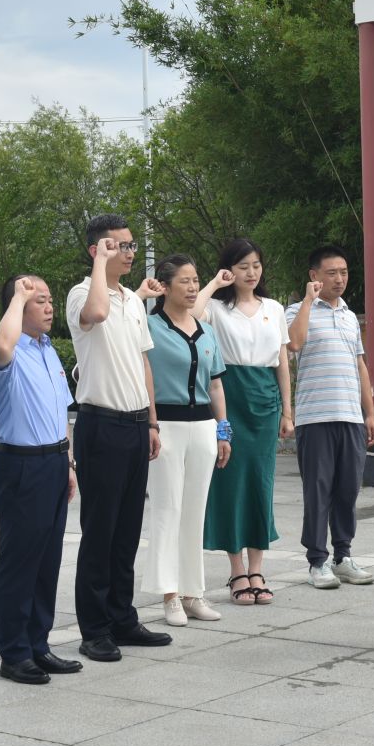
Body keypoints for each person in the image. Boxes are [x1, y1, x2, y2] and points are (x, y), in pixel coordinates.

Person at [66, 214, 169, 662]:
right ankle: (94, 629)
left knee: (128, 530)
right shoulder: (81, 294)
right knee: (101, 531)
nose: (128, 253)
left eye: (130, 245)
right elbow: (96, 314)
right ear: (95, 250)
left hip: (134, 424)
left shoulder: (132, 300)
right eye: (117, 246)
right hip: (101, 425)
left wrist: (152, 422)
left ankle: (123, 618)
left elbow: (143, 362)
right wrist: (99, 266)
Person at [0, 274, 83, 684]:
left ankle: (38, 644)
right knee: (19, 563)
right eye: (37, 300)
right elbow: (2, 347)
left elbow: (62, 414)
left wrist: (69, 464)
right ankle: (14, 653)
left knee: (46, 561)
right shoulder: (3, 353)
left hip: (54, 463)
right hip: (21, 466)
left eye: (48, 299)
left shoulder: (48, 350)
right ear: (16, 307)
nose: (48, 306)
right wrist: (18, 296)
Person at [202, 238, 290, 605]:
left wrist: (288, 411)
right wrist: (214, 283)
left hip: (265, 400)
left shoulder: (274, 308)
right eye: (243, 267)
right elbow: (190, 313)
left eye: (256, 265)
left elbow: (282, 361)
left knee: (260, 483)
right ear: (229, 269)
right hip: (230, 398)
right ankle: (237, 570)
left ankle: (257, 569)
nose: (251, 272)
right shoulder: (216, 309)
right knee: (231, 482)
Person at [144, 254, 231, 626]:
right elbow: (143, 378)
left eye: (196, 280)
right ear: (164, 287)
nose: (194, 287)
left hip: (203, 428)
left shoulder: (206, 330)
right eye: (185, 281)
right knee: (167, 510)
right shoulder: (149, 328)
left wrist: (223, 431)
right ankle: (169, 595)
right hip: (166, 426)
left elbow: (216, 385)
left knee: (195, 511)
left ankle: (193, 593)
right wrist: (150, 424)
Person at [285, 244, 374, 589]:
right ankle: (317, 562)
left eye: (344, 272)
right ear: (314, 276)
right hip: (315, 416)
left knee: (347, 490)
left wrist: (370, 412)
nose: (340, 279)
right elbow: (294, 344)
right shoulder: (296, 310)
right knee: (318, 490)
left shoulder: (349, 316)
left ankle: (343, 556)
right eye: (332, 273)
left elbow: (360, 365)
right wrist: (308, 302)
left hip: (350, 416)